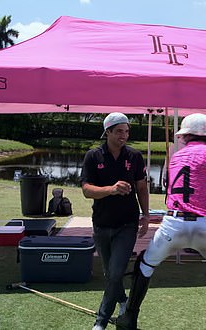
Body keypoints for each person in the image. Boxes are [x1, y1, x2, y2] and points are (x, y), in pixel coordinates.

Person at [116, 113, 206, 330]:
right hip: (204, 226)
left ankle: (129, 319)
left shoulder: (177, 156)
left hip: (173, 225)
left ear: (186, 136)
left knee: (145, 265)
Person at [80, 112, 150, 330]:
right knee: (110, 274)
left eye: (127, 131)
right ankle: (122, 300)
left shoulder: (134, 156)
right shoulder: (93, 156)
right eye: (119, 131)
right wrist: (111, 190)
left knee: (116, 272)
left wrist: (146, 216)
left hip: (127, 224)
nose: (124, 135)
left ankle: (101, 321)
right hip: (101, 224)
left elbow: (141, 187)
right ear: (107, 132)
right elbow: (86, 190)